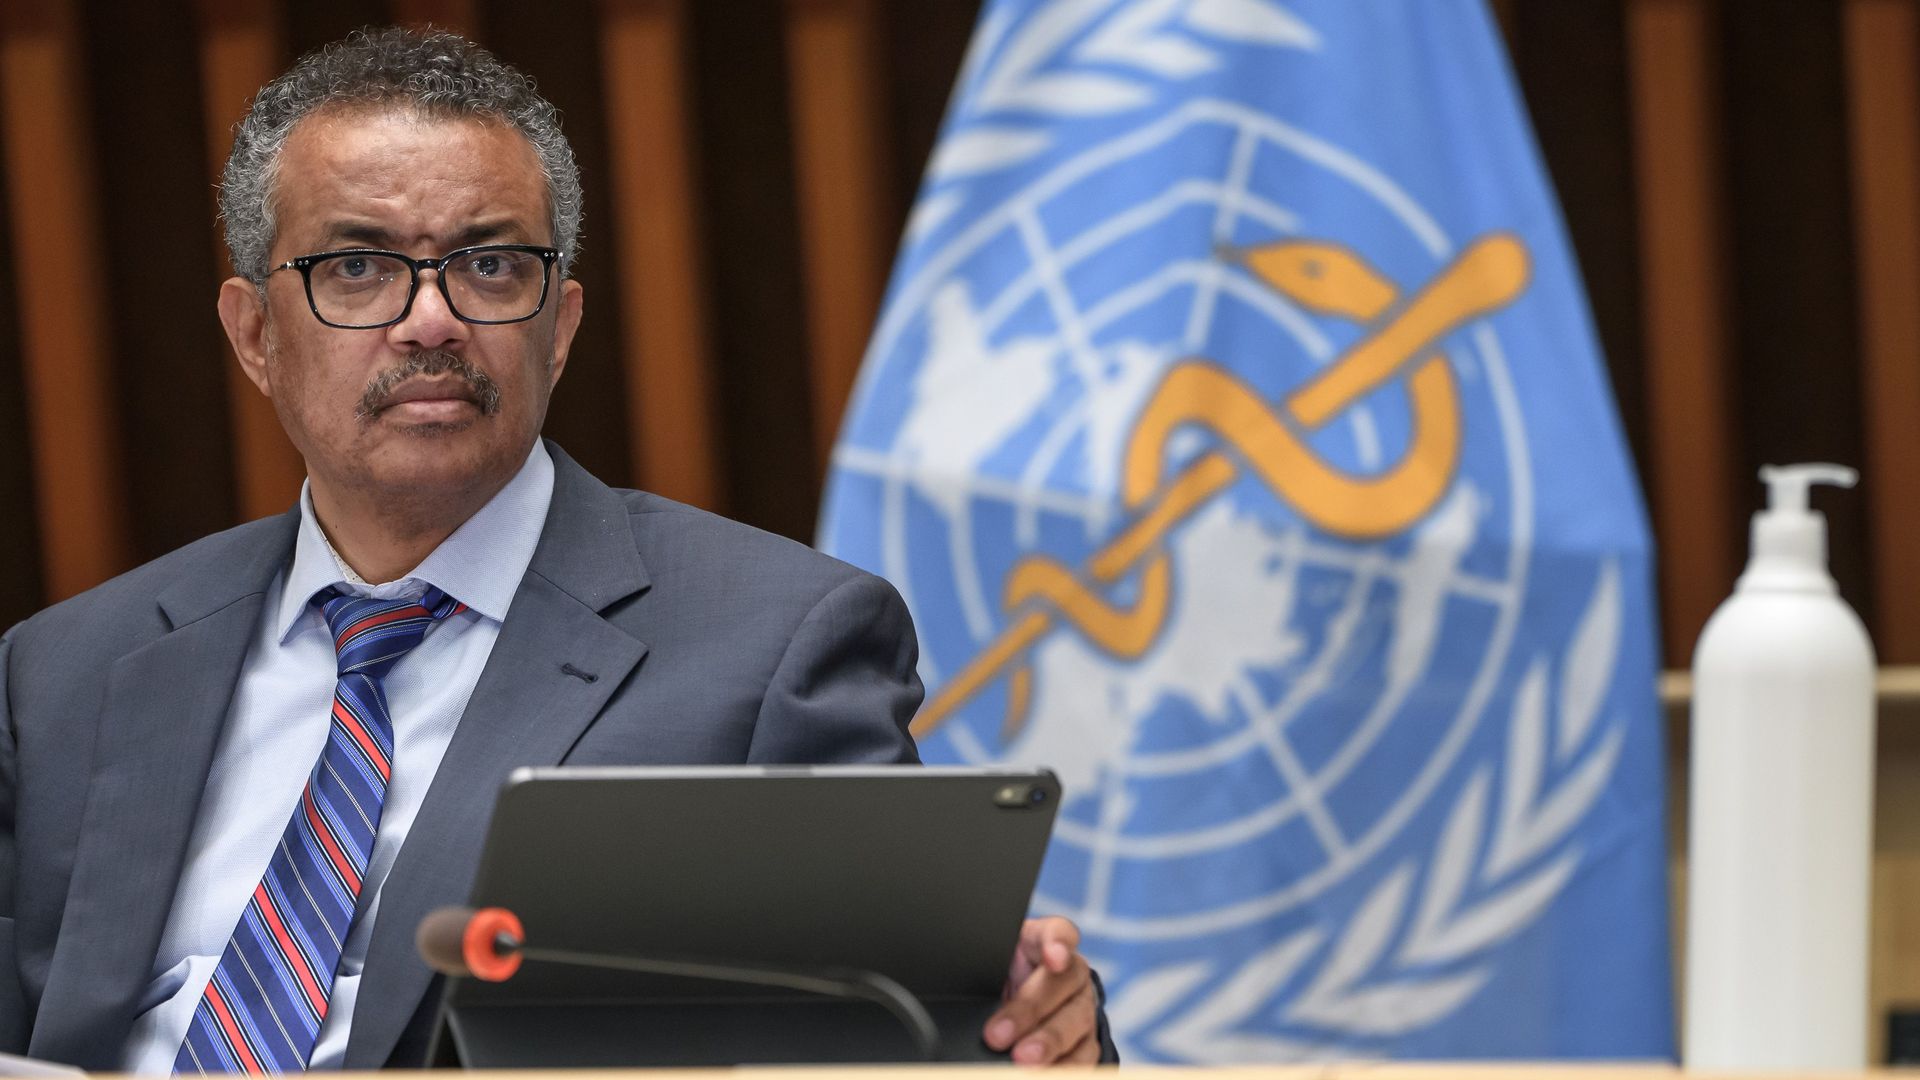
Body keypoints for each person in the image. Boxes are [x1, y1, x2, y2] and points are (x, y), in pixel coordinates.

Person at [0, 27, 1110, 1072]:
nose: (429, 320)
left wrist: (1038, 1022)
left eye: (489, 266)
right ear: (253, 334)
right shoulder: (65, 672)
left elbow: (915, 1022)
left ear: (561, 326)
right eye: (357, 269)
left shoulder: (772, 644)